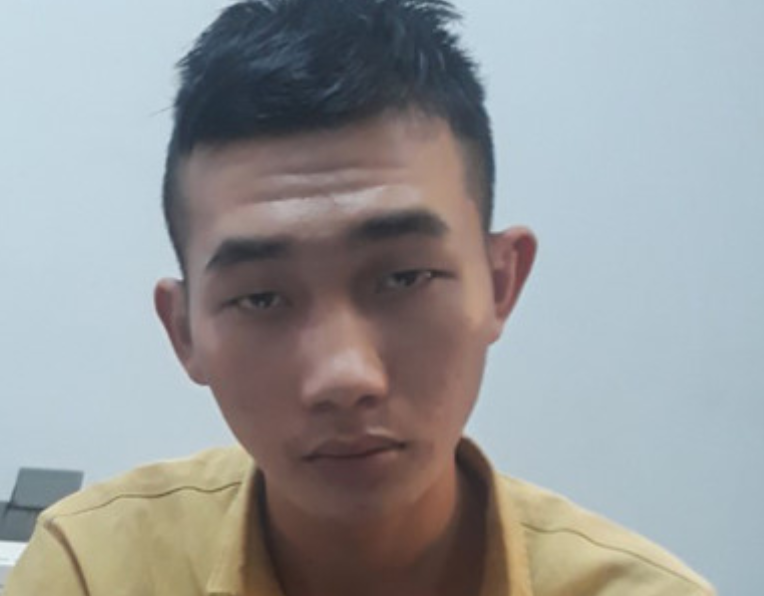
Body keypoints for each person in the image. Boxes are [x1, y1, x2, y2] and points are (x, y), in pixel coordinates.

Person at [5, 0, 714, 594]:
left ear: (501, 281)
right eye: (262, 298)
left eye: (404, 278)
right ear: (183, 330)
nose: (345, 376)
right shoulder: (92, 571)